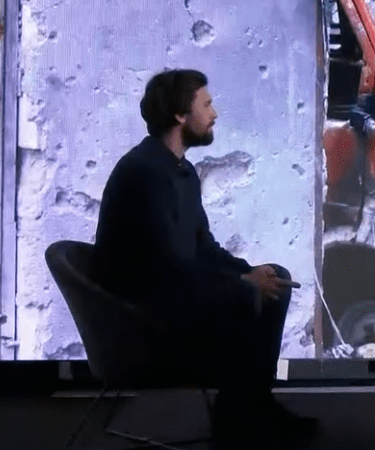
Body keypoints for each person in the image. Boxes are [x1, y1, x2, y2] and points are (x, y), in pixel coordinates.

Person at [91, 69, 318, 450]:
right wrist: (242, 284)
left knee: (274, 279)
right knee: (244, 295)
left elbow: (203, 249)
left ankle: (251, 407)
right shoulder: (145, 174)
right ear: (180, 115)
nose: (215, 114)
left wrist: (249, 271)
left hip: (172, 294)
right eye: (207, 105)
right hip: (143, 319)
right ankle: (238, 419)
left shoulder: (181, 171)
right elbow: (167, 268)